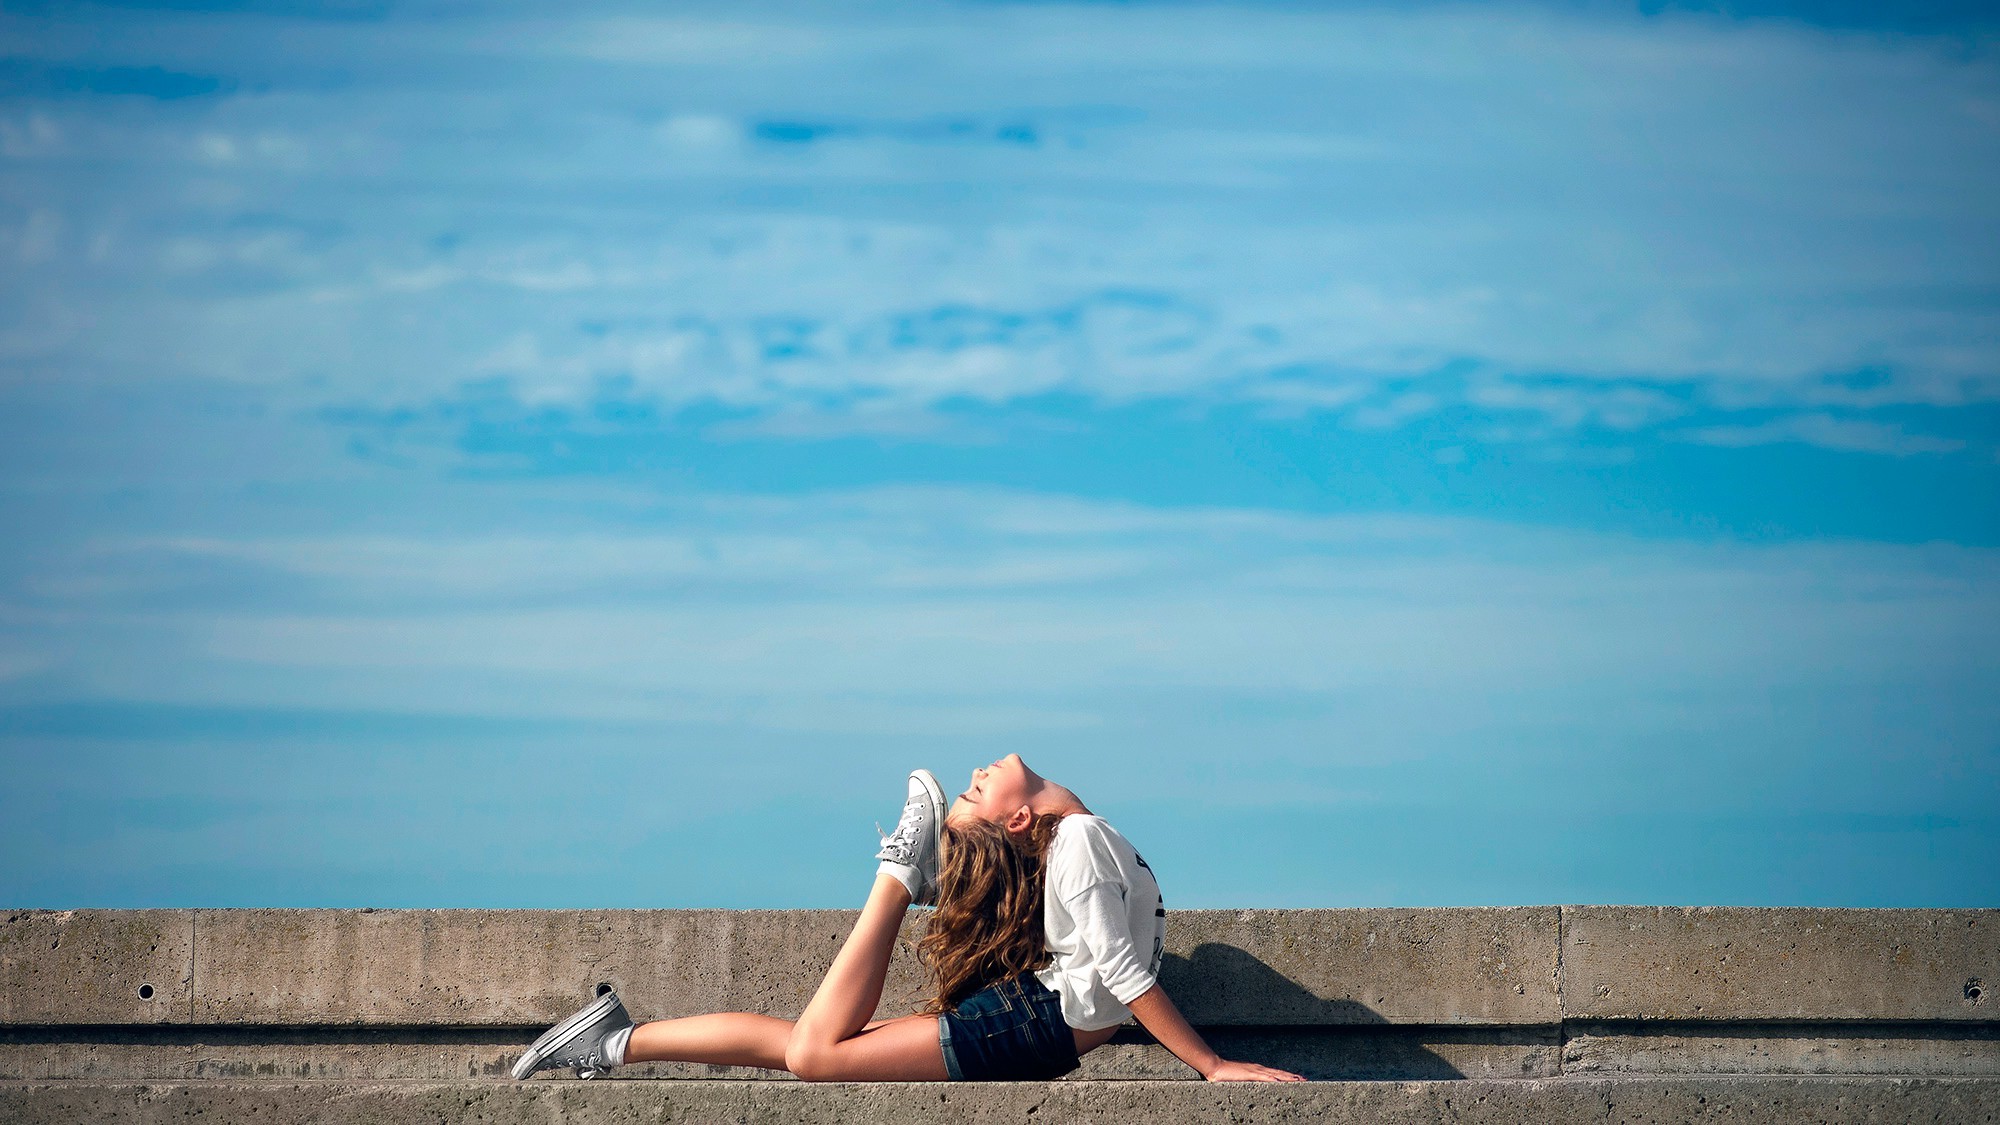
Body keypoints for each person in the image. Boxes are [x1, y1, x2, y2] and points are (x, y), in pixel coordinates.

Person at [511, 756, 1303, 1083]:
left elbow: (1123, 970)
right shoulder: (1085, 841)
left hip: (1036, 1024)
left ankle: (614, 1042)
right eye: (971, 790)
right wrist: (1212, 1064)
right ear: (1023, 821)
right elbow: (1126, 974)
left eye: (971, 791)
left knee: (808, 1050)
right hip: (1035, 1024)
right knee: (811, 1050)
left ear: (1022, 820)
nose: (975, 773)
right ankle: (899, 872)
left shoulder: (1082, 841)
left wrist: (1211, 1065)